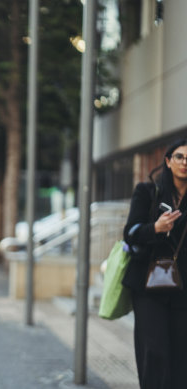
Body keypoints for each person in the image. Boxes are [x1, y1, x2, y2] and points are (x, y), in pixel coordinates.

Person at [123, 139, 187, 388]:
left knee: (182, 356)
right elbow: (130, 233)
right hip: (149, 285)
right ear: (168, 161)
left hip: (184, 290)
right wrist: (156, 228)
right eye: (180, 157)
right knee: (155, 353)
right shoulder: (147, 192)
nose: (185, 163)